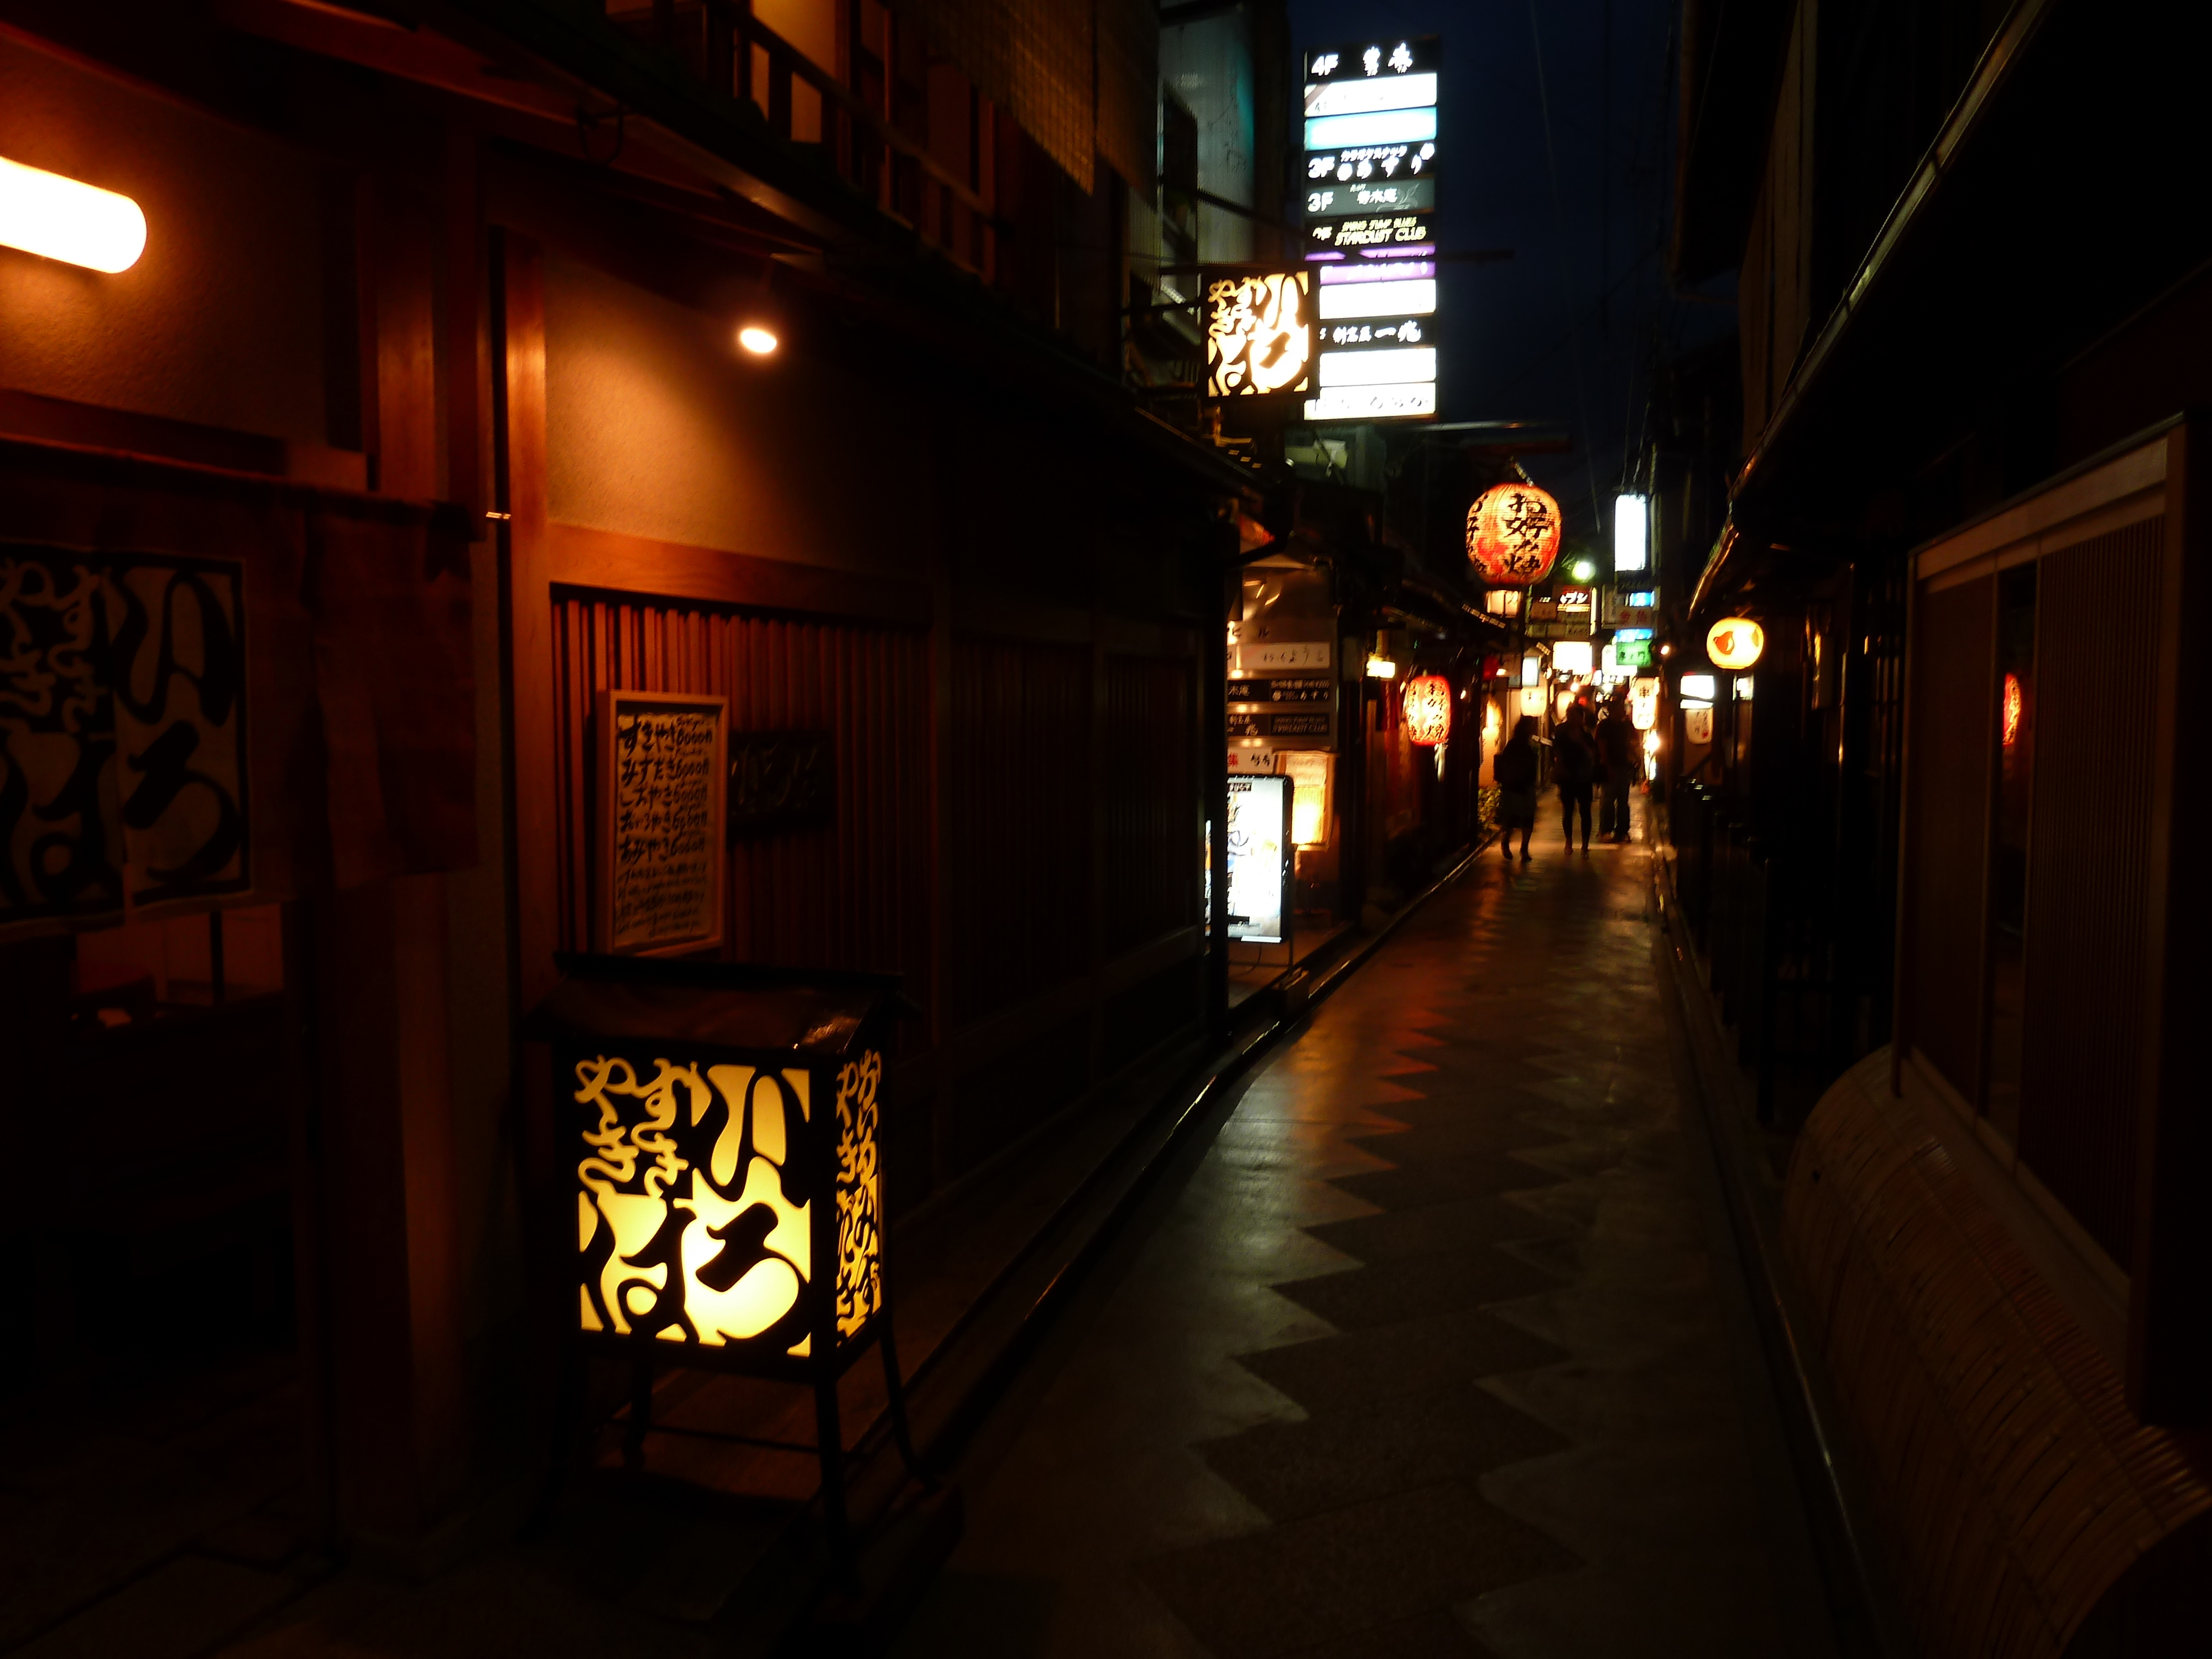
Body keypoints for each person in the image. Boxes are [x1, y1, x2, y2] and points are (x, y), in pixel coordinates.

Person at [1494, 714, 1540, 862]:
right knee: (1517, 818)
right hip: (1516, 786)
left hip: (1520, 786)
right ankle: (1513, 845)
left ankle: (1520, 847)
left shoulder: (1522, 744)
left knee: (1520, 818)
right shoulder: (1517, 745)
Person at [1553, 702, 1597, 852]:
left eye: (1578, 717)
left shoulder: (1586, 735)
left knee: (1585, 811)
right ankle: (1569, 841)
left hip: (1584, 776)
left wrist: (1582, 743)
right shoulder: (1561, 731)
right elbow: (1557, 752)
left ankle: (1585, 844)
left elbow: (1593, 755)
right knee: (1568, 811)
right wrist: (1560, 769)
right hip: (1567, 775)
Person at [1597, 696, 1637, 842]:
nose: (1624, 712)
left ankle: (1622, 831)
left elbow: (1634, 742)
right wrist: (1607, 766)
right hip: (1611, 766)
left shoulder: (1627, 726)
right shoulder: (1604, 726)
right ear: (1613, 711)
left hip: (1625, 766)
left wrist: (1634, 759)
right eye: (1621, 709)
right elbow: (1602, 747)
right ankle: (1606, 830)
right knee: (1608, 801)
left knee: (1623, 801)